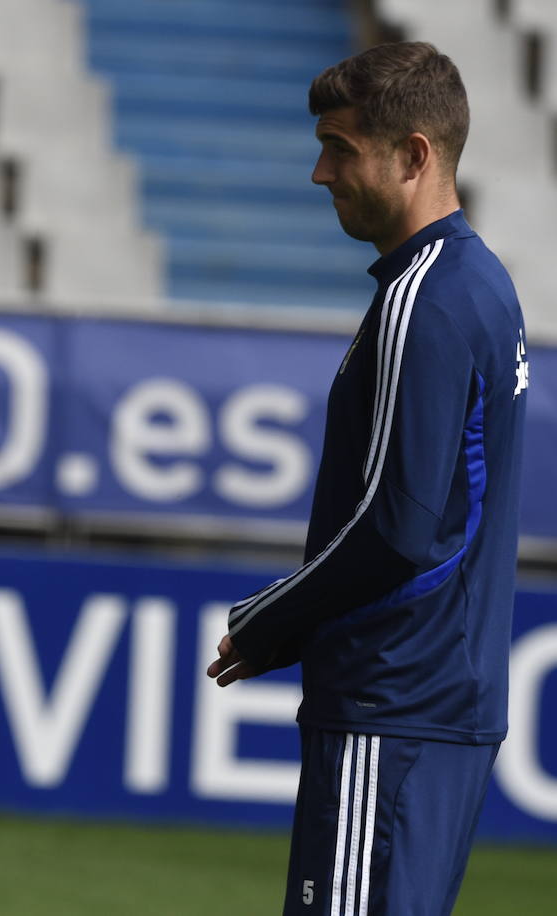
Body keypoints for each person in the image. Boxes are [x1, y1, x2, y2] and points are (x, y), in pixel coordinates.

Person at [205, 42, 528, 915]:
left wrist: (271, 621)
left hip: (393, 698)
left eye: (341, 148)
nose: (319, 172)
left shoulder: (427, 297)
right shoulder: (477, 283)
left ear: (414, 155)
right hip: (435, 700)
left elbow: (400, 524)